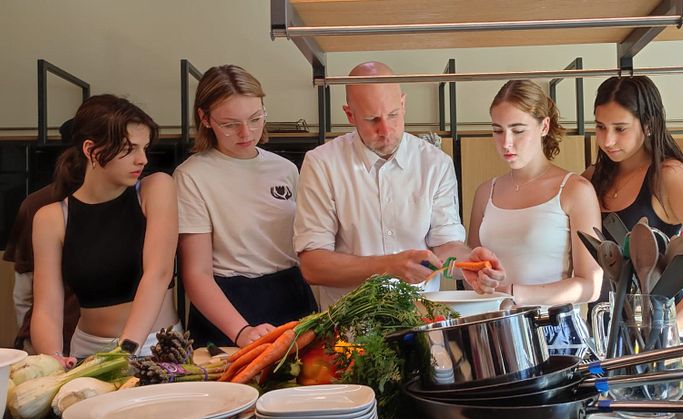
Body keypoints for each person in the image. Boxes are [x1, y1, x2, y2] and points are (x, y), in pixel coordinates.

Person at [293, 61, 501, 310]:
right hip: (349, 328)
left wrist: (468, 262)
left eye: (393, 114)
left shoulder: (435, 164)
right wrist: (388, 266)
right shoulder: (322, 164)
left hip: (420, 321)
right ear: (350, 115)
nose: (385, 130)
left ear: (403, 104)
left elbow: (445, 245)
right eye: (372, 119)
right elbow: (313, 266)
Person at [174, 65, 317, 349]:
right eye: (230, 124)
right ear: (205, 118)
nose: (246, 132)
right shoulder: (191, 176)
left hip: (293, 296)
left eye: (255, 118)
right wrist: (241, 331)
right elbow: (196, 274)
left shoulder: (285, 169)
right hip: (229, 307)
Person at [31, 94, 180, 365]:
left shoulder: (156, 188)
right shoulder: (51, 218)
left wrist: (125, 350)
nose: (142, 159)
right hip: (88, 349)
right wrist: (52, 359)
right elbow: (46, 309)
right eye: (129, 149)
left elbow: (158, 273)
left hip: (155, 346)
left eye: (144, 147)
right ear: (91, 150)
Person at [583, 76, 683, 333]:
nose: (607, 140)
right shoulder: (590, 179)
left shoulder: (668, 176)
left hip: (662, 333)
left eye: (620, 129)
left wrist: (669, 329)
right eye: (600, 127)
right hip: (605, 334)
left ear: (649, 125)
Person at [467, 80, 602, 354]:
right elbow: (473, 268)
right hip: (492, 331)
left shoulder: (575, 190)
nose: (506, 143)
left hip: (554, 333)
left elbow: (591, 285)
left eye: (518, 130)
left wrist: (515, 292)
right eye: (497, 131)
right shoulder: (485, 193)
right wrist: (479, 277)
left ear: (544, 126)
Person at [5, 120, 81, 355]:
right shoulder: (39, 205)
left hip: (105, 339)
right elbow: (25, 288)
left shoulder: (136, 199)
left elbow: (22, 291)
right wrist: (39, 347)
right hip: (57, 338)